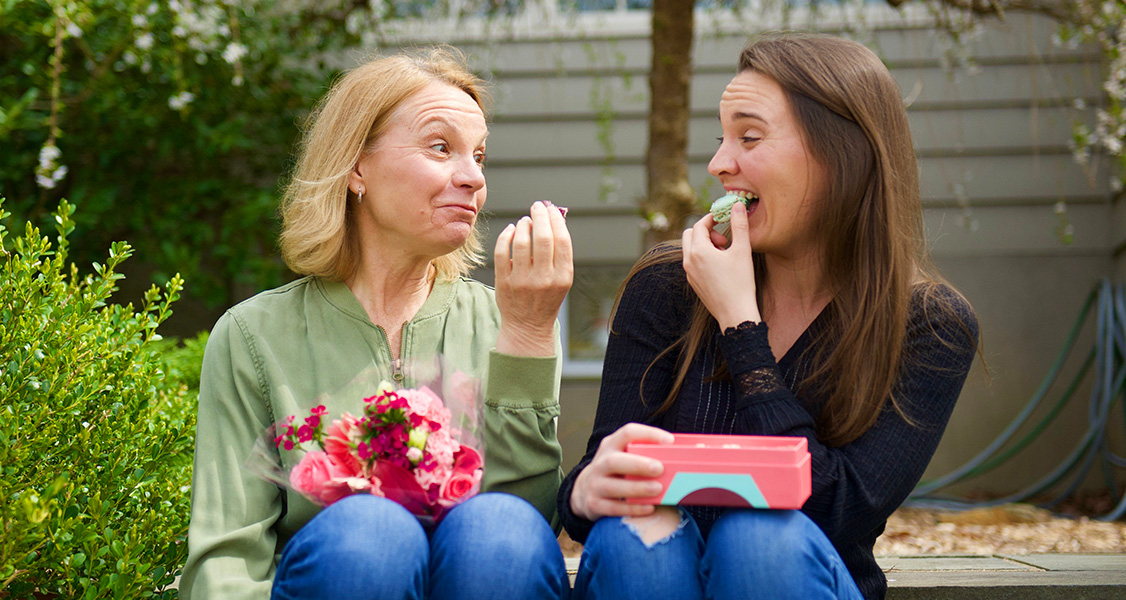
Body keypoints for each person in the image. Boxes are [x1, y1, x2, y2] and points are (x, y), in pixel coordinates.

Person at [558, 33, 979, 600]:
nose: (718, 163)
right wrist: (584, 492)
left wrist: (740, 323)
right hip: (650, 578)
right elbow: (595, 497)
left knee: (756, 540)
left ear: (842, 153)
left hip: (795, 575)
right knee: (636, 538)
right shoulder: (667, 287)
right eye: (721, 138)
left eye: (749, 137)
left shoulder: (929, 326)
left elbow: (837, 510)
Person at [181, 47, 574, 600]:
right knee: (371, 535)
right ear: (356, 166)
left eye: (479, 157)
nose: (472, 179)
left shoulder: (509, 319)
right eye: (441, 148)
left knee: (498, 533)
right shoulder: (254, 334)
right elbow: (226, 562)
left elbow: (529, 523)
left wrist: (530, 338)